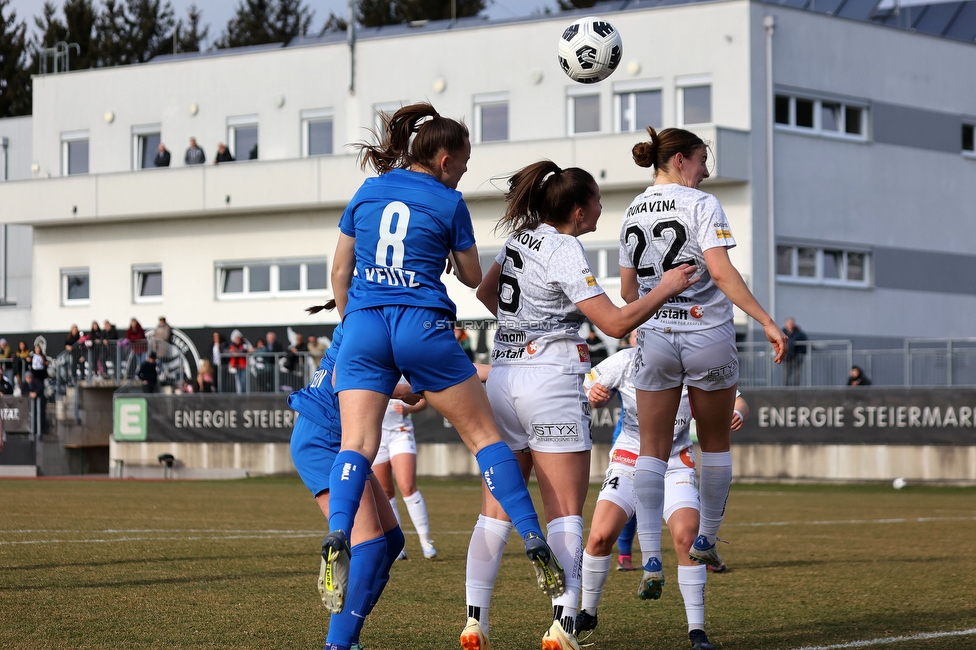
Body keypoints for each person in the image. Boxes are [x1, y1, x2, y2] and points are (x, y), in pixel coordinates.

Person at [323, 103, 563, 628]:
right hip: (422, 324)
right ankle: (531, 537)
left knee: (356, 445)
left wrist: (353, 323)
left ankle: (338, 533)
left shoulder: (366, 191)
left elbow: (339, 269)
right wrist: (452, 255)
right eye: (466, 162)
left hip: (363, 323)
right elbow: (474, 274)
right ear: (445, 159)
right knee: (485, 440)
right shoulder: (449, 201)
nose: (466, 171)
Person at [466, 160, 698, 650]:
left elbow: (487, 292)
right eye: (596, 201)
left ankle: (475, 621)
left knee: (494, 511)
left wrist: (527, 327)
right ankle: (563, 626)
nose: (600, 209)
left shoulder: (519, 237)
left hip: (503, 375)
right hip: (549, 380)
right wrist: (666, 288)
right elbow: (615, 324)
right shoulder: (565, 247)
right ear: (577, 210)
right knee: (565, 512)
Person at [618, 127, 786, 613]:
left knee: (650, 450)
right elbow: (722, 272)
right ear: (680, 160)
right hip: (706, 335)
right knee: (714, 444)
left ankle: (651, 555)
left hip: (654, 337)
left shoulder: (632, 209)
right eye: (702, 159)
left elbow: (630, 294)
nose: (707, 170)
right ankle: (707, 538)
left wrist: (660, 305)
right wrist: (767, 320)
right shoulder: (702, 204)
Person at [575, 334, 749, 650]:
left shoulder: (696, 364)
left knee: (687, 537)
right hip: (629, 459)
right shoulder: (626, 361)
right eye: (639, 332)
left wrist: (737, 412)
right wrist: (593, 393)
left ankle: (697, 631)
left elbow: (738, 399)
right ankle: (588, 611)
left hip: (675, 463)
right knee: (600, 536)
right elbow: (584, 385)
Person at [289, 307, 408, 650]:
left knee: (391, 541)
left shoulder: (384, 309)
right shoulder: (372, 314)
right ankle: (338, 643)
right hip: (324, 437)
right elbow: (344, 378)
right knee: (369, 543)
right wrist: (401, 390)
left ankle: (348, 631)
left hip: (342, 437)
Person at [373, 384, 435, 560]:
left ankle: (426, 542)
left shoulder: (403, 366)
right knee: (385, 492)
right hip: (377, 434)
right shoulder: (373, 365)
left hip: (401, 432)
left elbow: (422, 400)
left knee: (407, 487)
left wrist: (408, 408)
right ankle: (397, 546)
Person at [784, 318, 808, 387]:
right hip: (787, 356)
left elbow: (804, 343)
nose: (790, 325)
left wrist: (803, 352)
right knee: (787, 373)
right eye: (789, 323)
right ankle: (786, 388)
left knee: (797, 373)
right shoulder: (782, 332)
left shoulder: (799, 333)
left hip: (797, 356)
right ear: (786, 324)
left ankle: (796, 388)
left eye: (791, 323)